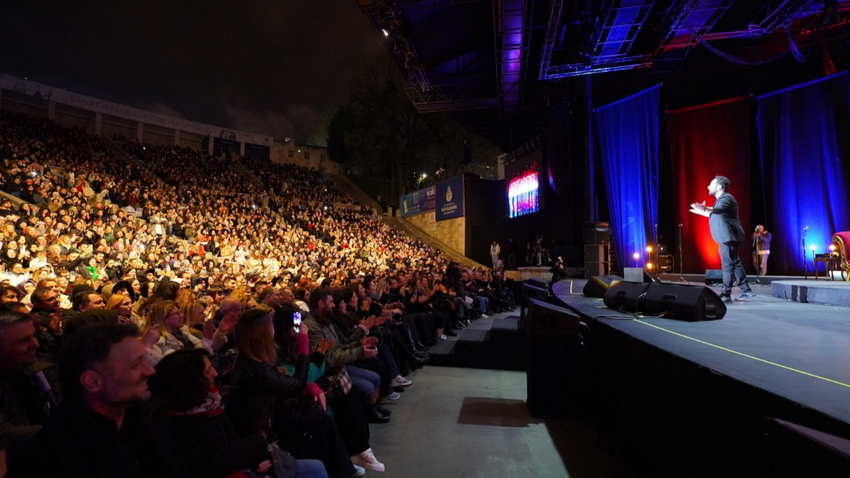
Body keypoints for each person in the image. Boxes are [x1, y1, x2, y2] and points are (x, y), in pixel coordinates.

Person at [19, 323, 155, 478]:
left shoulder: (137, 424)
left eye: (146, 360)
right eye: (136, 365)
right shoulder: (63, 455)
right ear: (92, 381)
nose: (150, 371)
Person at [691, 175, 754, 302]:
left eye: (711, 184)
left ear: (719, 187)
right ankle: (746, 290)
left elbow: (719, 210)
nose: (708, 186)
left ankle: (725, 294)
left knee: (727, 265)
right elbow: (716, 213)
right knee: (734, 263)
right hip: (728, 236)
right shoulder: (722, 199)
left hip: (729, 236)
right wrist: (701, 211)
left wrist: (705, 207)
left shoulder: (726, 198)